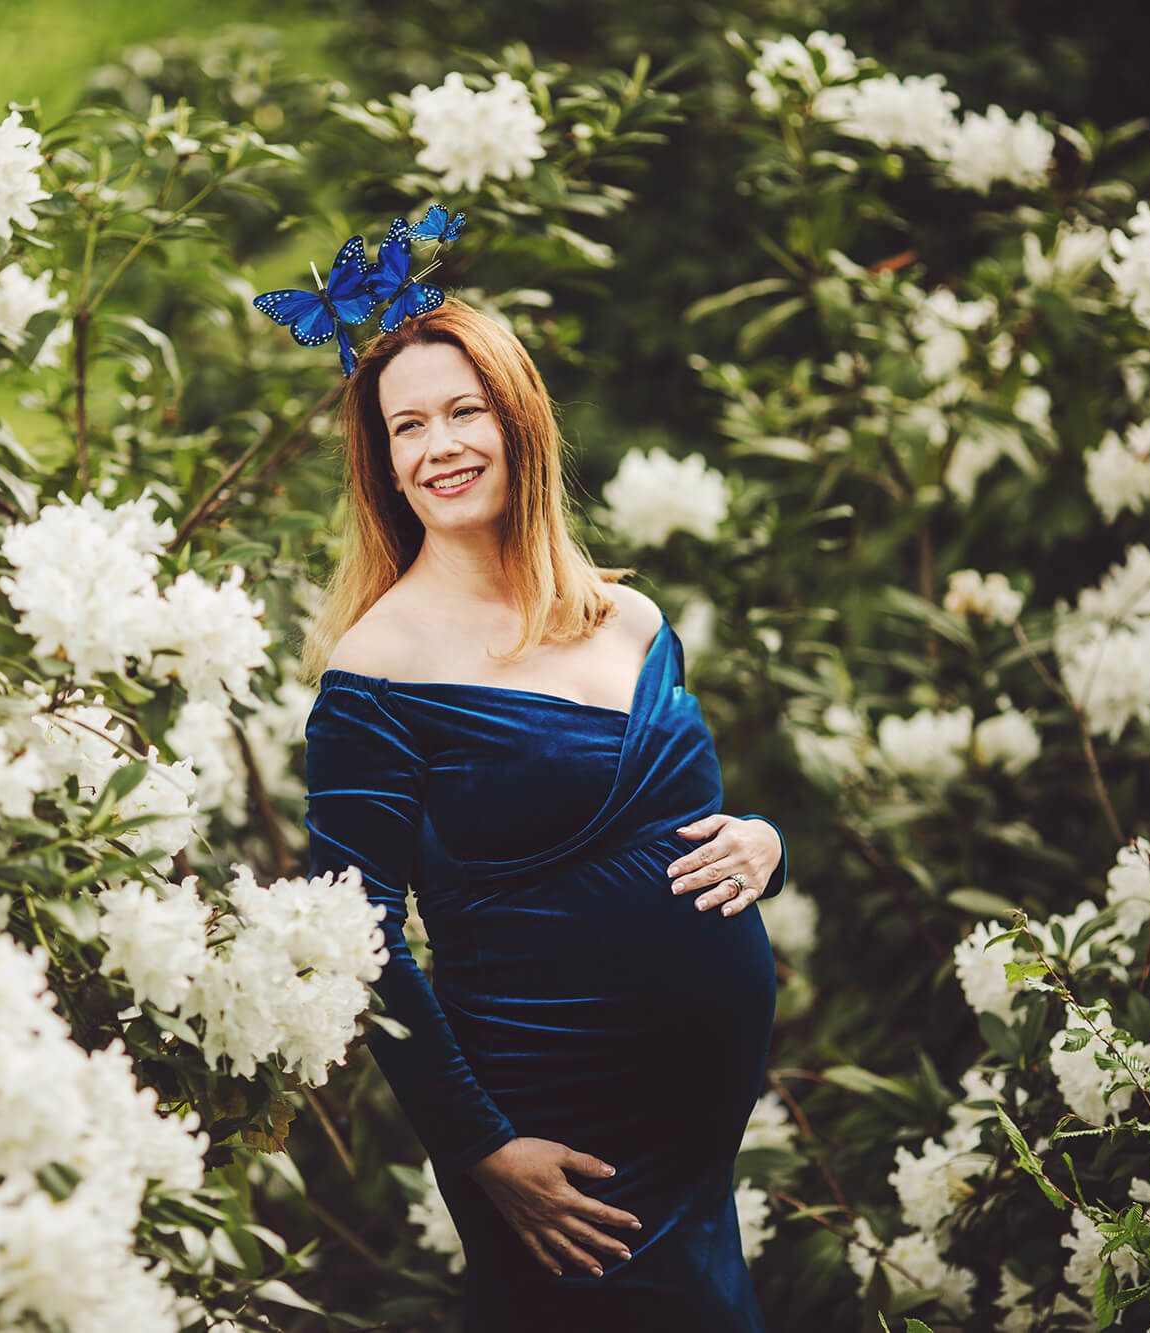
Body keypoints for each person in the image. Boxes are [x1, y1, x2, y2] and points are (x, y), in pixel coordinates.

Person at [300, 298, 789, 1331]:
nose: (440, 446)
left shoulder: (634, 620)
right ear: (382, 464)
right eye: (406, 426)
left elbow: (672, 818)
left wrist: (762, 844)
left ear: (517, 421)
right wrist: (481, 1150)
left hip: (694, 1153)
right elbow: (353, 935)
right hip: (553, 1143)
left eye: (462, 410)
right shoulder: (375, 672)